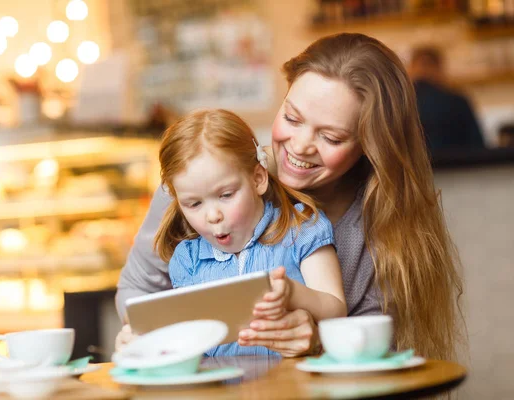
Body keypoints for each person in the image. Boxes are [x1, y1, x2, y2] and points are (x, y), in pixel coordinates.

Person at [116, 33, 465, 361]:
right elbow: (138, 290)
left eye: (331, 137)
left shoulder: (378, 224)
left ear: (370, 147)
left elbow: (377, 350)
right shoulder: (205, 182)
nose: (299, 146)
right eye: (292, 117)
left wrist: (316, 342)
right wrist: (145, 338)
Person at [154, 109, 347, 356]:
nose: (212, 216)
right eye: (194, 204)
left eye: (225, 195)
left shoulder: (303, 228)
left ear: (258, 179)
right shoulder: (187, 259)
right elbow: (188, 343)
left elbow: (337, 310)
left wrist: (293, 293)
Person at [409, 45, 485, 152]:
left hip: (416, 166)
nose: (424, 70)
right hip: (457, 164)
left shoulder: (403, 103)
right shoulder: (458, 101)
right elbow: (477, 144)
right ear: (440, 70)